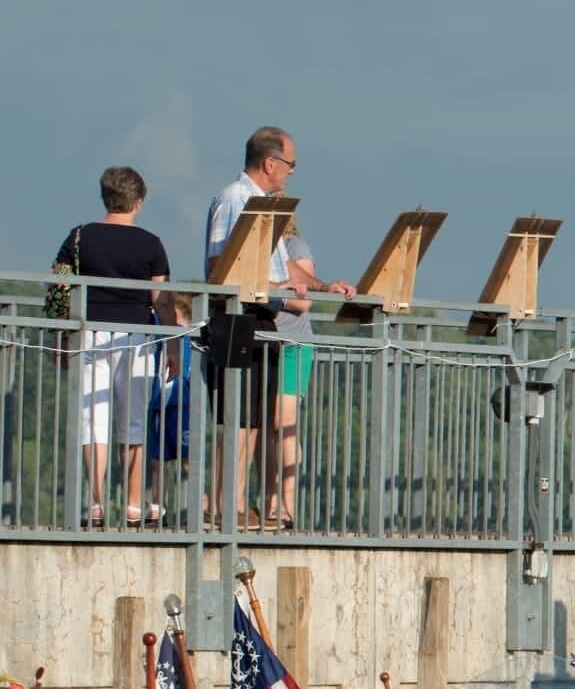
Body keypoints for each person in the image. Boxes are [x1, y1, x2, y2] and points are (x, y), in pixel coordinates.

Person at [55, 166, 181, 528]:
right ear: (138, 202)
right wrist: (170, 344)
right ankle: (133, 502)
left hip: (90, 331)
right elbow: (162, 300)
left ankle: (95, 502)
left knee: (92, 419)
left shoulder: (79, 237)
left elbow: (60, 286)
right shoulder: (151, 243)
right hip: (136, 337)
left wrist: (58, 335)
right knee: (134, 419)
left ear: (104, 196)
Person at [201, 126, 296, 527]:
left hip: (261, 318)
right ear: (270, 162)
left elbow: (269, 273)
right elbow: (220, 269)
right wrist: (275, 286)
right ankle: (226, 505)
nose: (292, 172)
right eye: (290, 164)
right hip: (238, 316)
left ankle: (238, 504)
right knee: (238, 419)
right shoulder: (235, 199)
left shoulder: (263, 204)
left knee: (254, 420)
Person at [264, 220, 355, 529]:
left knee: (282, 422)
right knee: (264, 425)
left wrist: (263, 293)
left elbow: (303, 301)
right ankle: (269, 500)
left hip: (292, 344)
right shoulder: (258, 250)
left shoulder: (294, 247)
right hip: (264, 342)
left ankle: (286, 503)